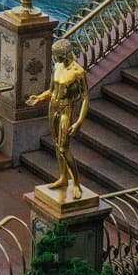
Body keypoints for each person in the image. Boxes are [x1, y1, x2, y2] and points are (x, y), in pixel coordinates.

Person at [27, 39, 89, 201]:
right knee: (56, 144)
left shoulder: (78, 72)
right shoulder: (57, 67)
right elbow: (52, 90)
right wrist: (39, 98)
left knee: (63, 148)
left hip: (67, 109)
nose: (54, 58)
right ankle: (62, 177)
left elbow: (85, 98)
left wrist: (79, 122)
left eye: (56, 55)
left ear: (65, 54)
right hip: (53, 107)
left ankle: (75, 183)